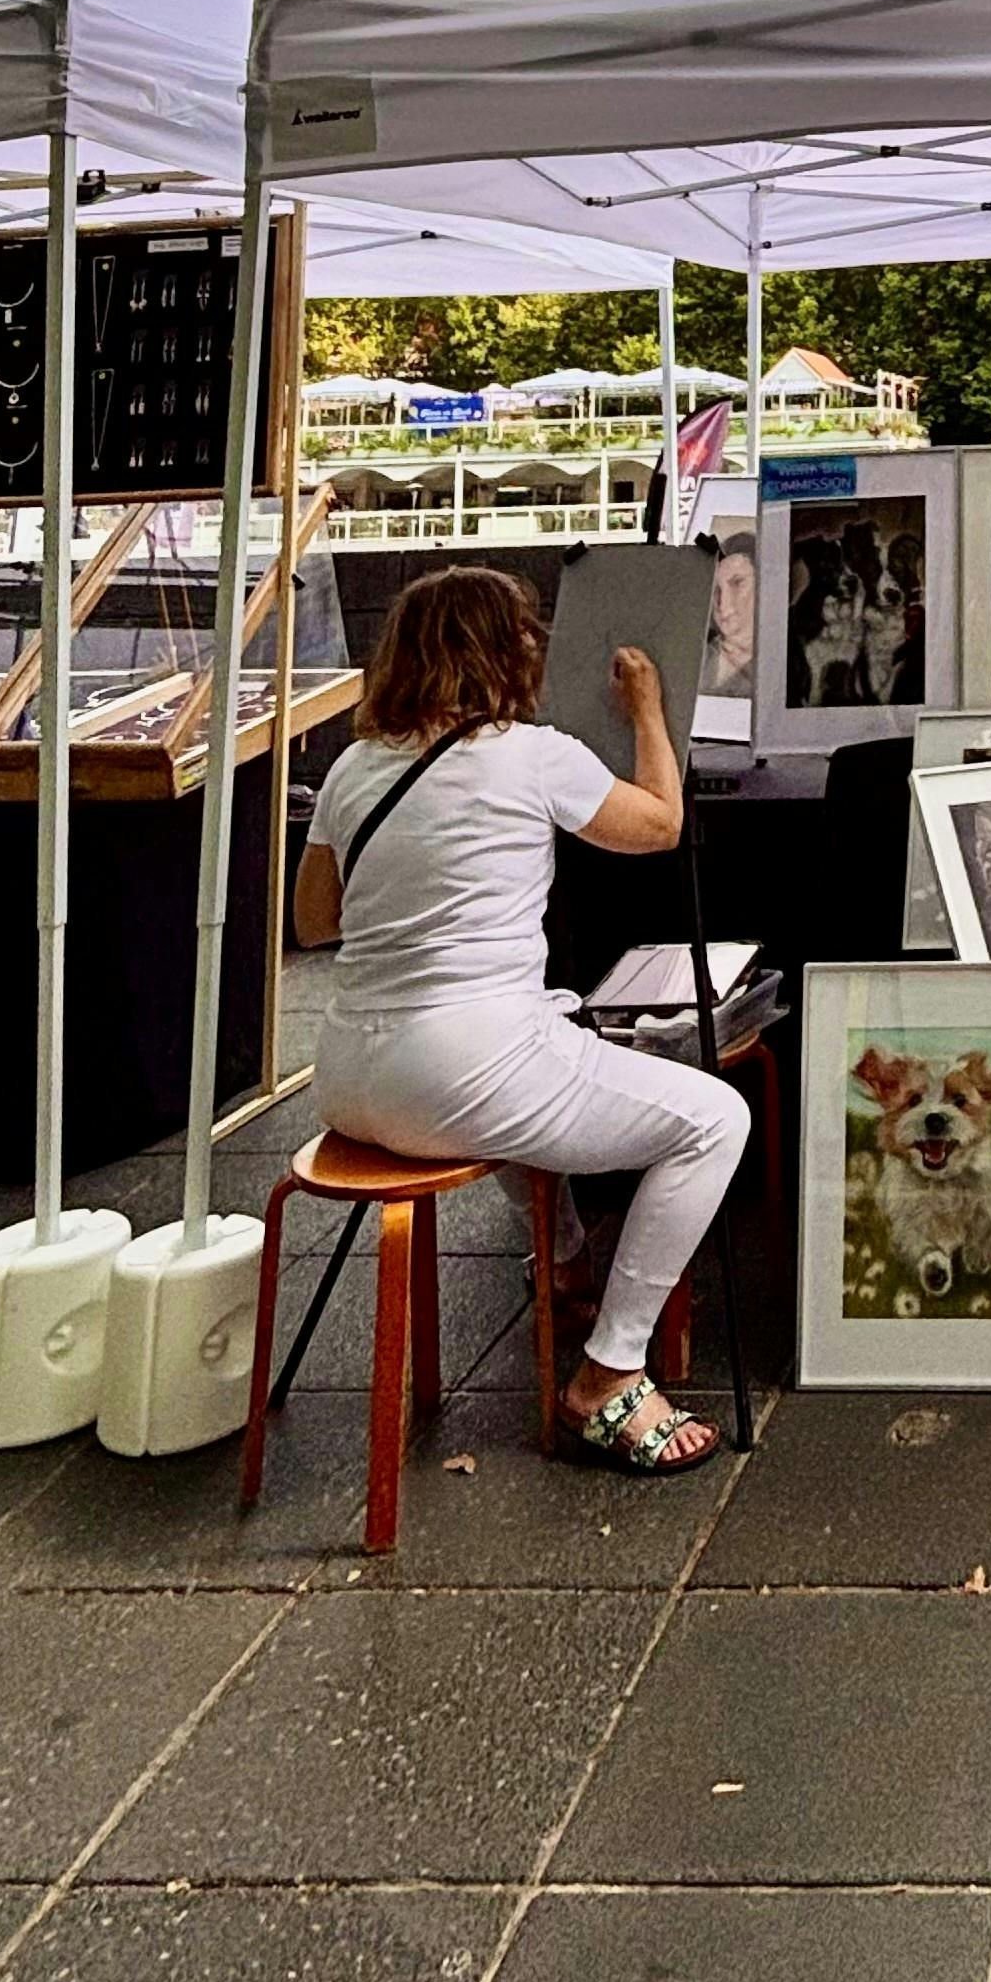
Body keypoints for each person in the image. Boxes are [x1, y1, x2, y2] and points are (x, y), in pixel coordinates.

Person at [293, 564, 748, 1473]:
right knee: (712, 1120)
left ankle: (568, 1259)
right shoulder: (532, 753)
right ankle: (611, 1372)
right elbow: (657, 826)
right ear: (508, 651)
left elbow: (314, 921)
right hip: (467, 1071)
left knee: (536, 1078)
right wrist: (647, 709)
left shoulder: (352, 768)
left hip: (347, 1079)